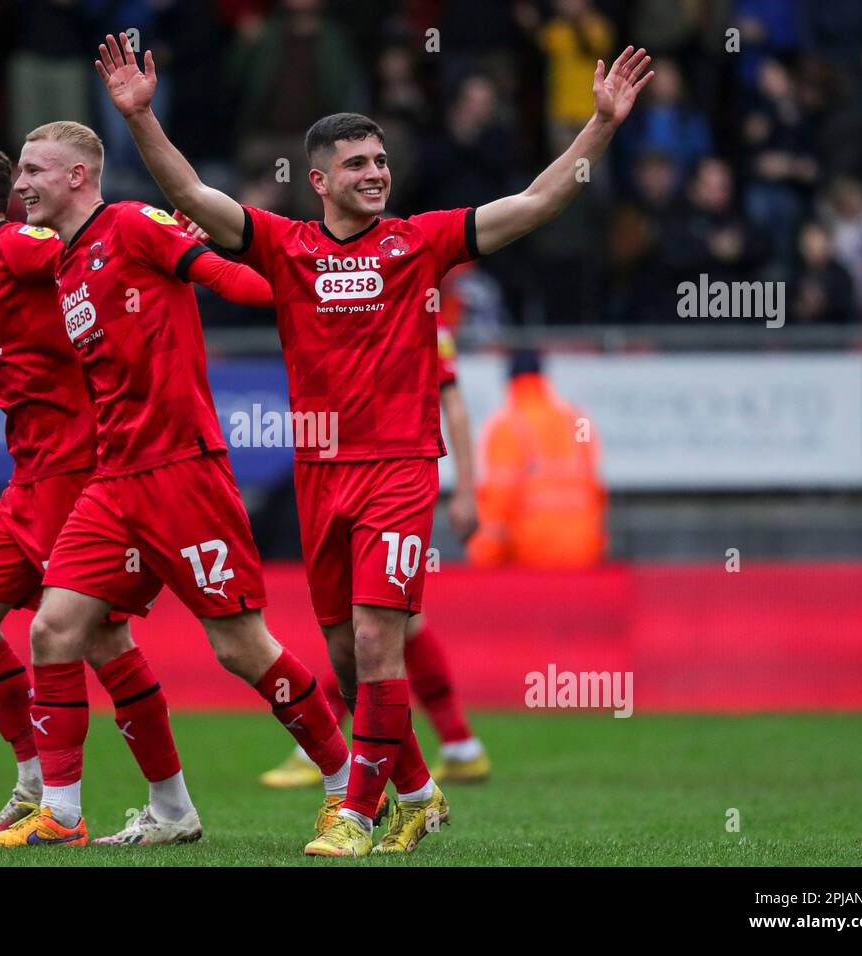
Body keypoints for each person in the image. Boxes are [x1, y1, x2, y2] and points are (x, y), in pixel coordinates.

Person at [98, 32, 651, 855]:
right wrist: (141, 117)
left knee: (373, 640)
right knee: (349, 664)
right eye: (356, 164)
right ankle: (421, 792)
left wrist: (599, 128)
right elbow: (188, 190)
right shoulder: (285, 247)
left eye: (380, 161)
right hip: (321, 475)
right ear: (318, 180)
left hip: (399, 467)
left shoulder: (419, 242)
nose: (375, 174)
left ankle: (356, 814)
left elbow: (535, 203)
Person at [0, 120, 358, 851]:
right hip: (112, 480)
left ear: (78, 176)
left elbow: (227, 279)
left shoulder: (136, 225)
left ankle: (344, 788)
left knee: (242, 648)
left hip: (183, 471)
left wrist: (310, 287)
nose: (18, 186)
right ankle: (66, 811)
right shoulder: (64, 264)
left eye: (31, 171)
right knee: (55, 629)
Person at [0, 137, 264, 845]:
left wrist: (170, 240)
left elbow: (92, 259)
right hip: (28, 476)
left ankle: (116, 806)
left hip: (76, 471)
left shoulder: (20, 245)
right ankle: (34, 784)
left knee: (97, 639)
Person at [261, 324, 491, 788]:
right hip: (348, 479)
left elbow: (455, 406)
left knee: (370, 630)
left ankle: (324, 747)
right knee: (392, 628)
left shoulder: (421, 318)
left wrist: (467, 490)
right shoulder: (355, 305)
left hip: (391, 484)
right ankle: (459, 745)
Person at [466, 350, 606, 569]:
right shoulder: (576, 420)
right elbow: (596, 489)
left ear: (510, 381)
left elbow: (498, 502)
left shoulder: (507, 426)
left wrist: (483, 558)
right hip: (585, 552)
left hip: (532, 556)